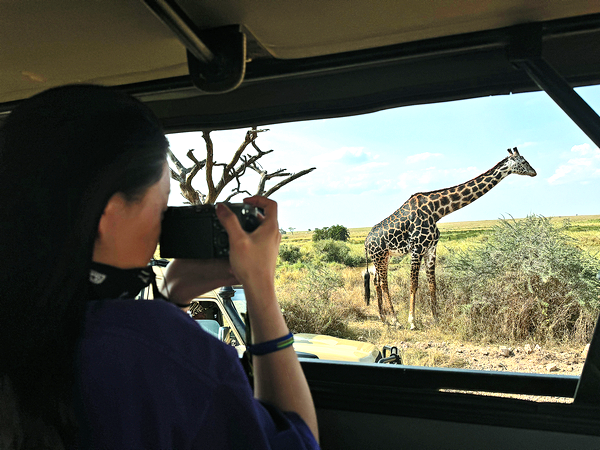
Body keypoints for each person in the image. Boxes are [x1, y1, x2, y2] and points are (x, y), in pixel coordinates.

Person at [0, 85, 319, 449]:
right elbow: (301, 440)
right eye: (161, 210)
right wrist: (260, 287)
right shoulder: (165, 352)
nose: (161, 231)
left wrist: (171, 297)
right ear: (109, 214)